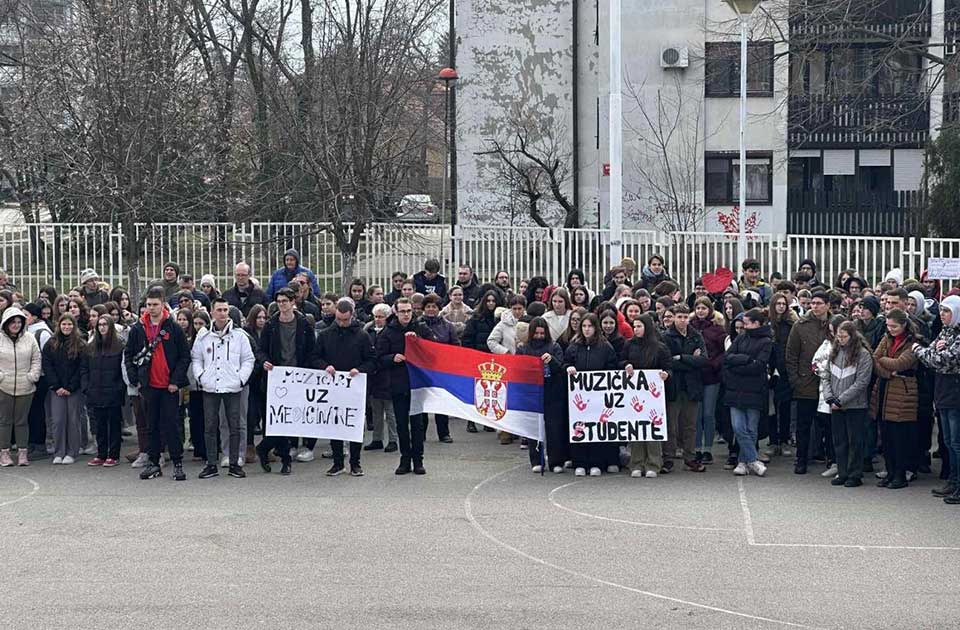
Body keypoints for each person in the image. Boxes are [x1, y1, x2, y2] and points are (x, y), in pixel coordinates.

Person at [124, 287, 191, 481]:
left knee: (172, 425)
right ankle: (154, 463)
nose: (151, 309)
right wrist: (135, 379)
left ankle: (177, 463)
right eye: (148, 305)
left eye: (155, 305)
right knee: (150, 426)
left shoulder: (173, 327)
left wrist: (175, 381)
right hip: (148, 386)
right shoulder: (138, 328)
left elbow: (184, 357)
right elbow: (128, 355)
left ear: (163, 304)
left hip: (168, 386)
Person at [192, 298, 255, 480]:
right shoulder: (203, 336)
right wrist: (201, 377)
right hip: (210, 387)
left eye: (225, 310)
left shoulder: (239, 336)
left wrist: (240, 379)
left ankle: (234, 463)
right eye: (219, 310)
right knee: (210, 426)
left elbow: (248, 360)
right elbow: (196, 358)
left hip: (233, 387)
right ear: (212, 312)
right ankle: (211, 464)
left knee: (234, 425)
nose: (222, 313)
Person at [256, 288, 318, 475]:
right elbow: (261, 350)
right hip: (275, 378)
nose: (282, 304)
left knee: (291, 419)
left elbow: (311, 350)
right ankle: (284, 458)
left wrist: (306, 369)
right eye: (279, 301)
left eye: (285, 301)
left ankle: (266, 448)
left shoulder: (304, 323)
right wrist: (264, 361)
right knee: (278, 419)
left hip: (297, 377)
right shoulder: (271, 324)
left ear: (293, 302)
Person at [314, 298, 376, 476]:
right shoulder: (326, 335)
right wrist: (325, 366)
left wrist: (360, 369)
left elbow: (372, 360)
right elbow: (315, 357)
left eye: (345, 320)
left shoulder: (362, 336)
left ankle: (355, 463)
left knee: (354, 426)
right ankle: (337, 462)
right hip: (333, 387)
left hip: (354, 388)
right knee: (335, 426)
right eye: (339, 319)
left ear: (352, 316)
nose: (342, 323)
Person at [375, 298, 436, 475]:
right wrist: (391, 358)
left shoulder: (421, 328)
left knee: (417, 424)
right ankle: (404, 459)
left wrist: (418, 342)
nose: (406, 314)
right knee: (401, 423)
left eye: (409, 311)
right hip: (398, 383)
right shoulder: (388, 332)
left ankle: (418, 460)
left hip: (417, 384)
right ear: (396, 312)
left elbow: (433, 350)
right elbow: (378, 357)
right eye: (402, 311)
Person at [914, 296, 960, 504]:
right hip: (943, 391)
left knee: (956, 443)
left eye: (947, 311)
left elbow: (942, 359)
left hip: (955, 393)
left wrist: (918, 350)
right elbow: (933, 355)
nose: (942, 315)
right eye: (941, 310)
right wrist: (932, 352)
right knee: (949, 442)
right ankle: (953, 480)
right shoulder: (946, 332)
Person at [820, 320, 874, 488]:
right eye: (838, 336)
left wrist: (841, 400)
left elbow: (862, 382)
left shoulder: (863, 355)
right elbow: (826, 375)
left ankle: (855, 474)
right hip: (836, 405)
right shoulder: (834, 353)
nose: (840, 339)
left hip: (855, 406)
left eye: (844, 337)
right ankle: (842, 472)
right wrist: (830, 398)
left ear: (852, 336)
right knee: (839, 441)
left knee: (855, 441)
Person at [564, 313, 619, 477]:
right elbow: (566, 362)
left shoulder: (605, 346)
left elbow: (612, 368)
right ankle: (579, 462)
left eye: (590, 326)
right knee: (579, 428)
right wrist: (568, 368)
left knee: (597, 428)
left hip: (598, 397)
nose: (587, 330)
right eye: (584, 326)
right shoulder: (574, 346)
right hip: (579, 398)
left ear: (596, 328)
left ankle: (596, 462)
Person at [871, 309, 919, 490]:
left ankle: (900, 475)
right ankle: (890, 472)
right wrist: (887, 373)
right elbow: (874, 360)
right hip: (885, 387)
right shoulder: (886, 338)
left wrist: (884, 360)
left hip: (902, 392)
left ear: (904, 325)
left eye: (894, 326)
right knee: (886, 437)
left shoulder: (913, 342)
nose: (890, 329)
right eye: (888, 326)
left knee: (899, 437)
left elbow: (901, 363)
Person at [722, 308, 773, 476]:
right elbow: (727, 358)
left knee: (751, 428)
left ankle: (744, 461)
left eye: (747, 323)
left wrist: (739, 366)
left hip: (755, 390)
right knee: (738, 427)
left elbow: (759, 365)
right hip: (735, 390)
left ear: (757, 324)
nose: (743, 327)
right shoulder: (741, 338)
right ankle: (753, 460)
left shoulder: (766, 341)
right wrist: (746, 360)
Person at [785, 290, 831, 475]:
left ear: (828, 305)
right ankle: (801, 459)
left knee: (829, 425)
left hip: (829, 384)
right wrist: (795, 380)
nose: (815, 306)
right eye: (813, 303)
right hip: (806, 384)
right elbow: (791, 355)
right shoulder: (800, 325)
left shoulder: (837, 323)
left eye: (820, 303)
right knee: (804, 425)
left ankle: (832, 460)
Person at [622, 313, 672, 478]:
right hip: (634, 394)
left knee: (652, 428)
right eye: (634, 326)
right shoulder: (629, 345)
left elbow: (668, 367)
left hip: (653, 396)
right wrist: (626, 365)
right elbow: (620, 361)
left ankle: (653, 463)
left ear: (647, 327)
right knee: (636, 428)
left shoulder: (660, 347)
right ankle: (636, 463)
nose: (635, 329)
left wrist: (666, 375)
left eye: (639, 326)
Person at [663, 304, 708, 473]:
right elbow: (667, 361)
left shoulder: (696, 336)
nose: (683, 320)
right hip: (674, 386)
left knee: (690, 425)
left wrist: (682, 357)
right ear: (673, 318)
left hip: (692, 386)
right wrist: (690, 361)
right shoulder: (666, 337)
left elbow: (703, 360)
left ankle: (690, 457)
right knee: (671, 425)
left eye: (685, 317)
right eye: (679, 317)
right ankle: (668, 457)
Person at [517, 317, 565, 473]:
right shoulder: (523, 349)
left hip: (552, 393)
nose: (539, 336)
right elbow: (518, 370)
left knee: (554, 429)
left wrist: (551, 361)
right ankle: (536, 460)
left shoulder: (555, 347)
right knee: (534, 429)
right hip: (532, 394)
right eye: (536, 333)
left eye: (541, 333)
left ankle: (556, 461)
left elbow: (561, 369)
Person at [81, 314, 127, 466]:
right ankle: (101, 454)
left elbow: (122, 370)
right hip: (95, 391)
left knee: (114, 425)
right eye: (99, 324)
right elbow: (84, 369)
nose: (102, 327)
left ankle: (113, 455)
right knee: (99, 425)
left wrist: (119, 387)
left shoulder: (119, 345)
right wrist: (86, 386)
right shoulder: (91, 346)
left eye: (105, 324)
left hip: (113, 391)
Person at [42, 313, 86, 465]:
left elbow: (82, 368)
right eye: (63, 324)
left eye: (69, 324)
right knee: (58, 420)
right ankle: (58, 451)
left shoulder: (80, 344)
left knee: (73, 420)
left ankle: (72, 451)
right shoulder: (51, 344)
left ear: (74, 326)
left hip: (74, 389)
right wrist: (56, 386)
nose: (66, 327)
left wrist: (70, 387)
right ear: (59, 326)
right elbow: (47, 365)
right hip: (56, 389)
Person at [0, 306, 40, 465]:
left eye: (19, 322)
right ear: (6, 323)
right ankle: (4, 453)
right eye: (13, 322)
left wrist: (32, 376)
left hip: (26, 386)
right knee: (4, 421)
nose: (16, 325)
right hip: (4, 387)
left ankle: (23, 453)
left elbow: (36, 359)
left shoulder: (30, 338)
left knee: (22, 421)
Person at [690, 297, 726, 464]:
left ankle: (708, 449)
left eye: (704, 308)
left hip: (712, 377)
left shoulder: (718, 330)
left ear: (710, 310)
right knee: (696, 416)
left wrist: (712, 364)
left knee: (708, 414)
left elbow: (723, 352)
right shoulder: (690, 328)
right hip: (695, 377)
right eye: (698, 308)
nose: (701, 311)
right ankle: (696, 448)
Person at [421, 294, 460, 443]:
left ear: (439, 308)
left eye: (434, 306)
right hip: (422, 369)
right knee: (422, 402)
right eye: (428, 306)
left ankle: (444, 433)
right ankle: (421, 433)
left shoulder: (448, 326)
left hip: (441, 370)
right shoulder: (417, 324)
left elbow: (455, 346)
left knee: (441, 402)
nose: (431, 309)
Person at [461, 290, 499, 433]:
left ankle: (488, 421)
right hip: (478, 359)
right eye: (488, 301)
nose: (490, 304)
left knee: (490, 391)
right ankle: (471, 421)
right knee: (476, 391)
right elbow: (467, 338)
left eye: (493, 301)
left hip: (494, 360)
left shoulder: (499, 319)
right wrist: (472, 356)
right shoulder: (476, 319)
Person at [363, 304, 398, 453]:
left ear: (387, 318)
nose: (377, 319)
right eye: (376, 316)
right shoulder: (369, 331)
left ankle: (393, 439)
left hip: (388, 376)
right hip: (374, 377)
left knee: (390, 412)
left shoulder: (391, 333)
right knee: (376, 411)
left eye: (381, 317)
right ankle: (377, 439)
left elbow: (394, 353)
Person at [767, 292, 797, 457]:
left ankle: (784, 440)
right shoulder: (767, 324)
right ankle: (773, 441)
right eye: (777, 303)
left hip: (785, 371)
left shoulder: (790, 325)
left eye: (783, 304)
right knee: (771, 409)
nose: (780, 306)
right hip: (770, 371)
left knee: (784, 407)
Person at [23, 303, 52, 460]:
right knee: (30, 411)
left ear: (34, 316)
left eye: (26, 315)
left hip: (39, 377)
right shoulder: (27, 331)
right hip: (28, 375)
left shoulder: (42, 332)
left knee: (37, 411)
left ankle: (39, 444)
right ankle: (32, 442)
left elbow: (45, 357)